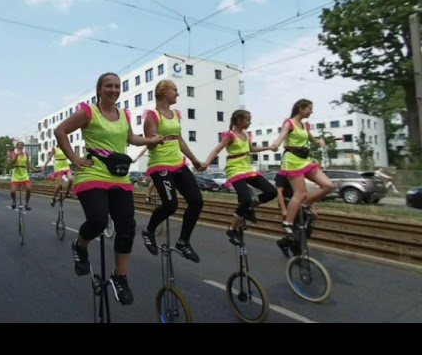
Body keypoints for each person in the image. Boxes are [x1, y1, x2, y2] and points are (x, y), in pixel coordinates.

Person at [54, 72, 163, 306]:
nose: (113, 90)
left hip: (119, 176)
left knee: (126, 228)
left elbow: (132, 139)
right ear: (99, 90)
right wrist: (73, 157)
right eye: (108, 86)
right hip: (92, 173)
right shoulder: (88, 112)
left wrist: (151, 140)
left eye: (117, 86)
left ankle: (120, 277)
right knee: (98, 221)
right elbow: (60, 131)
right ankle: (80, 245)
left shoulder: (124, 114)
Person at [140, 80, 206, 262]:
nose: (177, 94)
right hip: (160, 164)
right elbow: (149, 144)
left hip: (178, 163)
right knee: (171, 205)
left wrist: (194, 160)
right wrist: (155, 140)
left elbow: (180, 140)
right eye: (175, 90)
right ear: (163, 92)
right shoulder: (152, 116)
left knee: (197, 201)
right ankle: (148, 230)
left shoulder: (176, 114)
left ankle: (183, 242)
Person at [203, 110, 278, 245]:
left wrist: (269, 147)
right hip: (235, 169)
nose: (250, 122)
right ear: (239, 121)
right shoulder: (230, 136)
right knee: (245, 200)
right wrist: (206, 163)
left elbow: (252, 149)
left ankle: (250, 207)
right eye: (248, 120)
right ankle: (232, 229)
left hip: (247, 169)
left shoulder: (246, 135)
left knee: (271, 191)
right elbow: (216, 150)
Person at [270, 99, 335, 237]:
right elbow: (281, 136)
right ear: (301, 109)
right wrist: (275, 144)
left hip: (305, 160)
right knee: (300, 194)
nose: (312, 111)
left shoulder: (304, 126)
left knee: (328, 185)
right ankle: (288, 223)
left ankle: (305, 205)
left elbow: (313, 140)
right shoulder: (289, 123)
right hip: (292, 160)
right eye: (309, 109)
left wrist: (320, 141)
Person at [9, 141, 40, 210]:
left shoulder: (26, 154)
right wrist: (17, 155)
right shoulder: (13, 153)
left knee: (29, 188)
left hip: (24, 173)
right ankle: (14, 201)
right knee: (13, 191)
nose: (20, 146)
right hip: (16, 173)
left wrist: (35, 170)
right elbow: (13, 162)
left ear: (23, 147)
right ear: (17, 146)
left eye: (22, 145)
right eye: (19, 145)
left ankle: (27, 204)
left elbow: (28, 164)